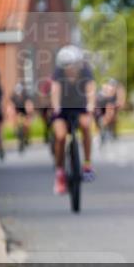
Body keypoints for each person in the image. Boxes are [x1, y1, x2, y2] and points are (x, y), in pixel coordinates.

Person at [49, 45, 96, 194]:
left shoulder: (86, 71)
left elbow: (91, 89)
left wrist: (91, 106)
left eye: (73, 66)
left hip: (80, 106)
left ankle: (87, 165)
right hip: (63, 108)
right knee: (61, 136)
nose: (70, 69)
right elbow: (55, 91)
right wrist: (56, 107)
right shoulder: (58, 73)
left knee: (86, 125)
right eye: (67, 67)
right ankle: (60, 172)